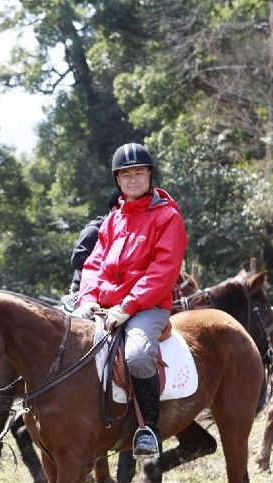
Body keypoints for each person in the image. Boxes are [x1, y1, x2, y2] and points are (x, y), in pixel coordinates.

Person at [74, 142, 187, 458]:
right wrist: (87, 298)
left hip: (147, 307)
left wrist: (127, 307)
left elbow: (163, 271)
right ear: (118, 180)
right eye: (126, 175)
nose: (133, 179)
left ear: (150, 175)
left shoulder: (167, 217)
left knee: (137, 355)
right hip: (104, 305)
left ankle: (149, 428)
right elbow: (94, 264)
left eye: (139, 173)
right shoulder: (113, 219)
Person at [68, 189, 122, 295]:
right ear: (115, 209)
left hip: (113, 291)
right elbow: (78, 259)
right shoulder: (94, 230)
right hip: (83, 290)